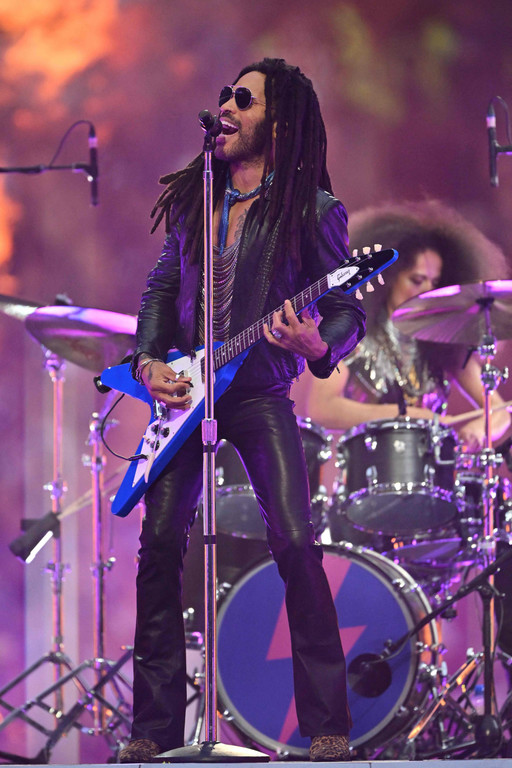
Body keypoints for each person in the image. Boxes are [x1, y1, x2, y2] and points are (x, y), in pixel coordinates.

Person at [118, 58, 366, 764]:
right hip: (188, 396)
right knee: (159, 545)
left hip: (259, 394)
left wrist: (319, 344)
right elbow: (160, 289)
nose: (225, 105)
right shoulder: (196, 198)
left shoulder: (313, 211)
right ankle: (155, 732)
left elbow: (347, 308)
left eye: (244, 100)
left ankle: (328, 728)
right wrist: (148, 361)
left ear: (278, 125)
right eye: (226, 94)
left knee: (295, 542)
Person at [306, 200, 512, 686]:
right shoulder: (352, 332)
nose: (426, 291)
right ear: (388, 278)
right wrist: (404, 416)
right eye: (416, 279)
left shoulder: (445, 341)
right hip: (368, 493)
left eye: (434, 282)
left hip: (439, 495)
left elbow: (498, 411)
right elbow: (322, 407)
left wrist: (480, 430)